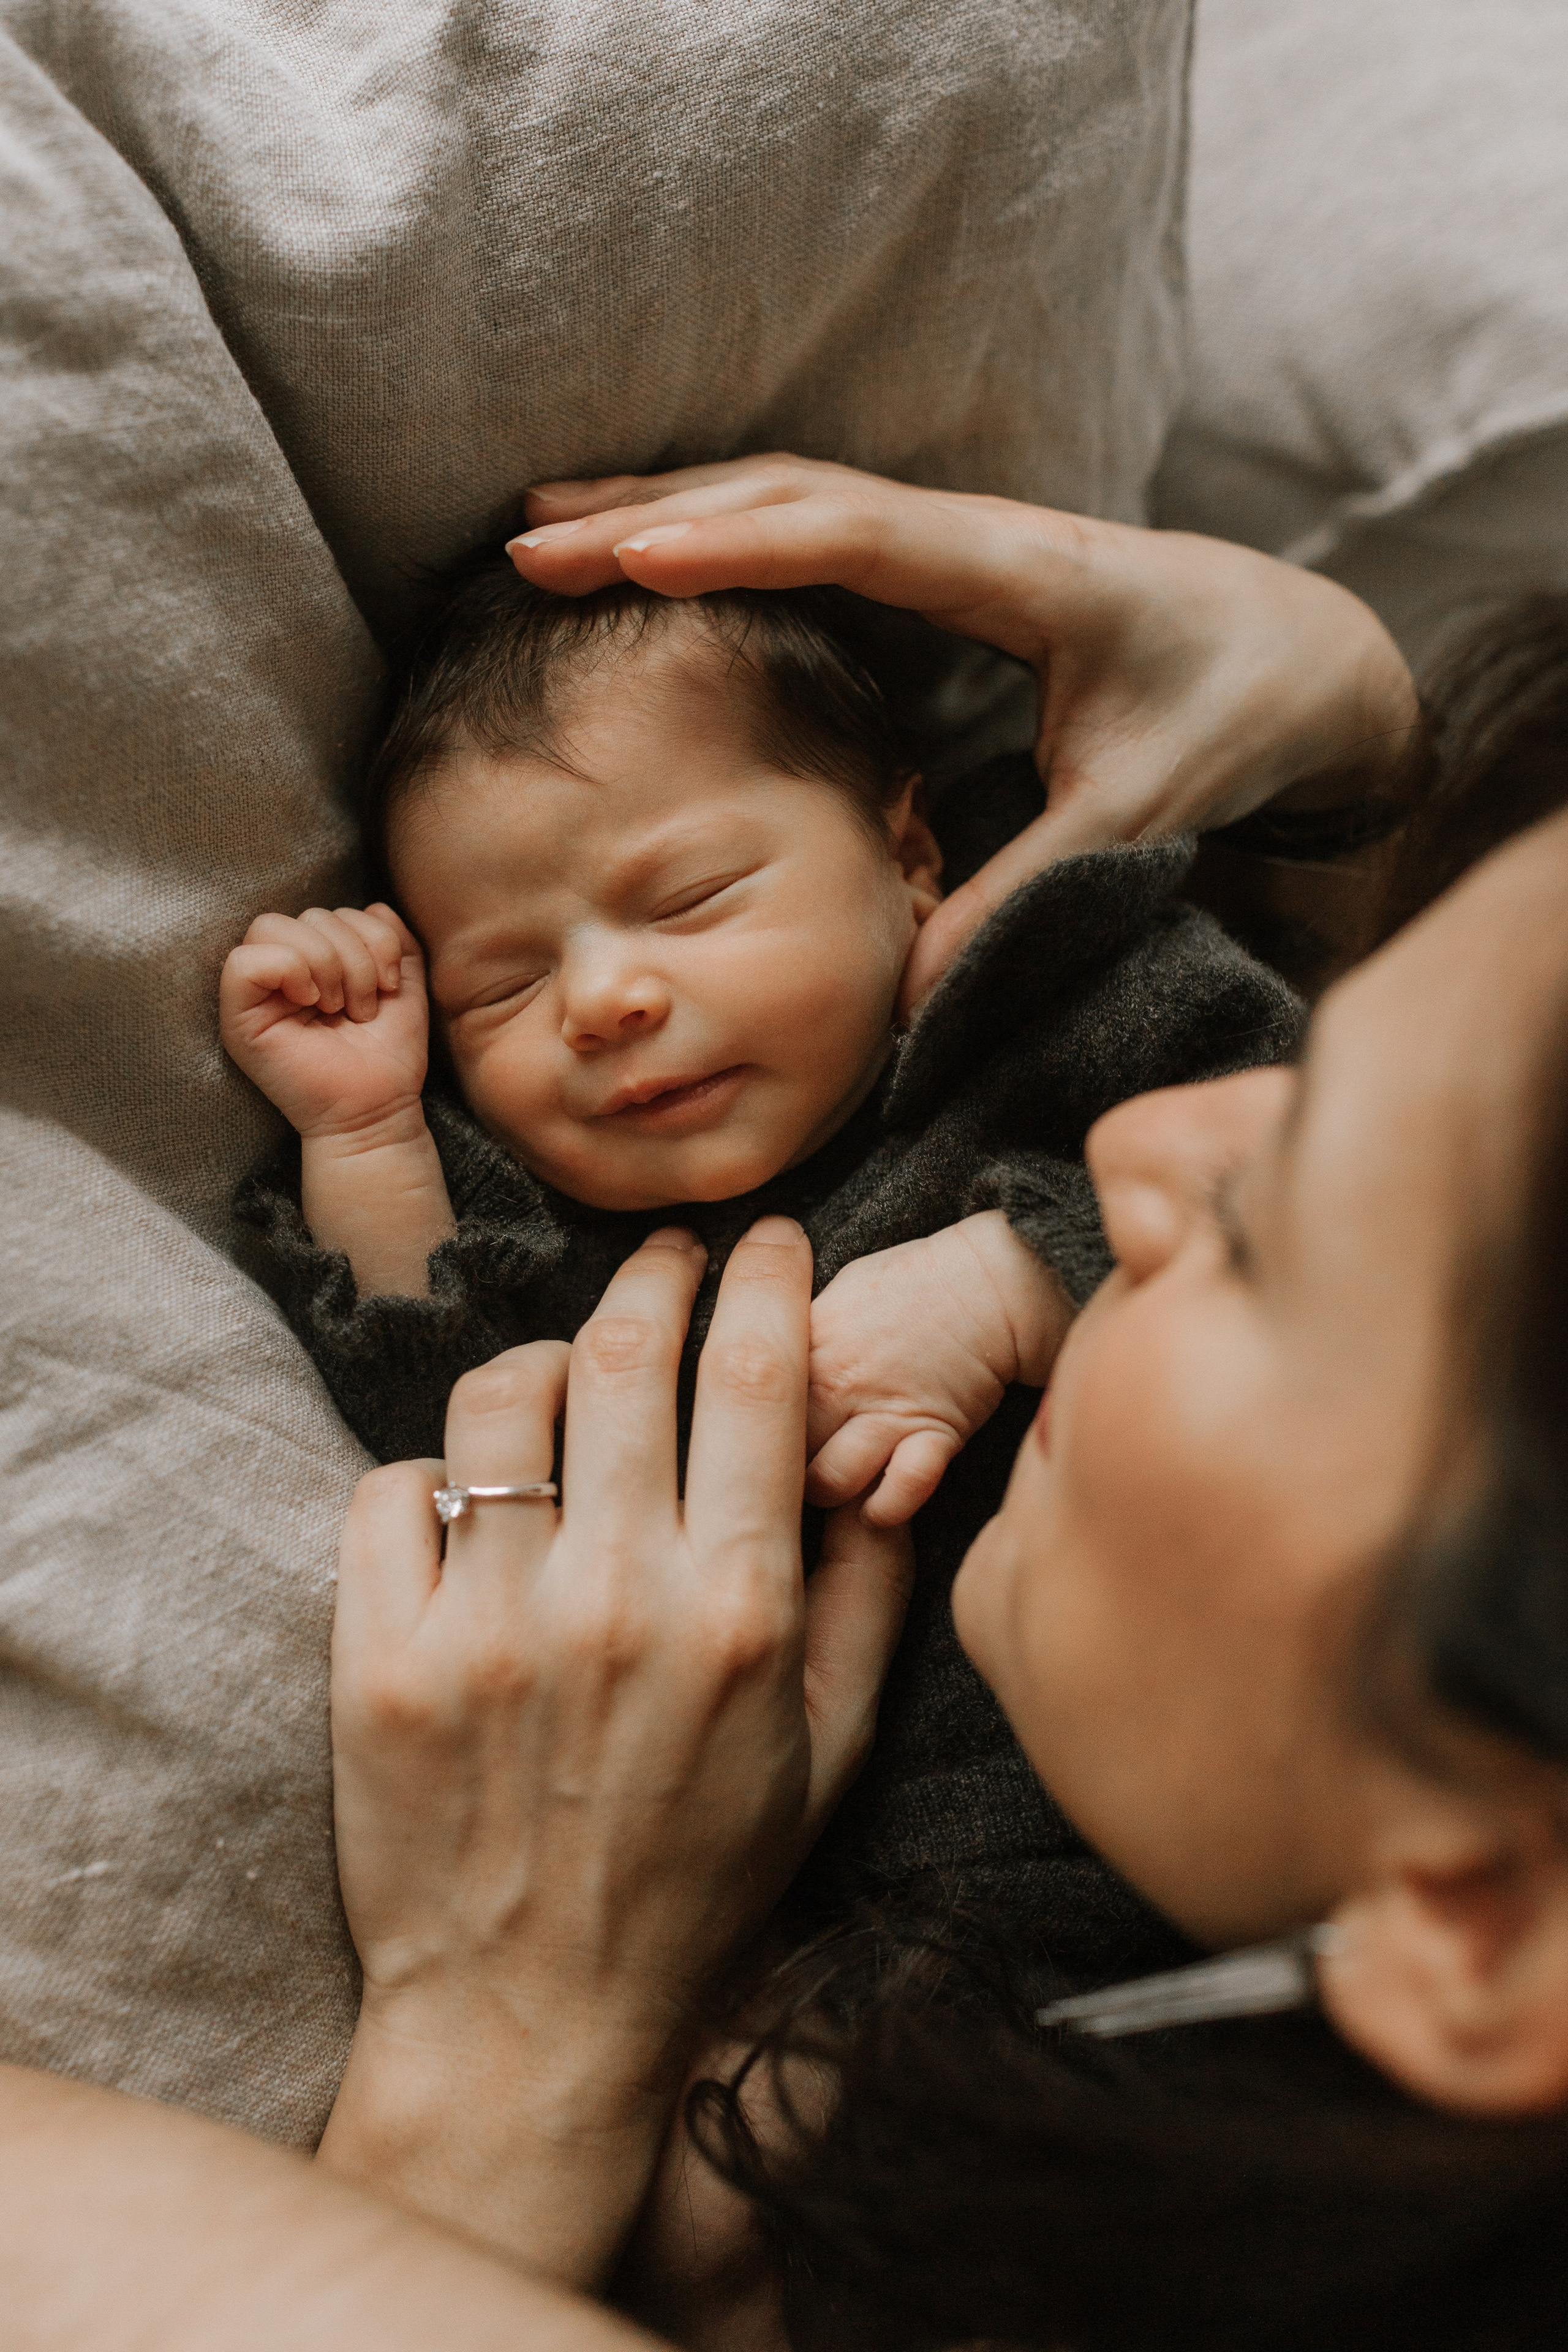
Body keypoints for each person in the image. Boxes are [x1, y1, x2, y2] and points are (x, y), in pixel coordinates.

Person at [300, 466, 1568, 2346]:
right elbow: (447, 1368)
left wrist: (514, 2044)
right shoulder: (578, 1218)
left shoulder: (1040, 1021)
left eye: (1269, 1231)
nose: (1139, 1151)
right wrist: (369, 1134)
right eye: (504, 983)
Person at [219, 551, 1298, 1976]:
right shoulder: (547, 1233)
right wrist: (362, 1133)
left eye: (690, 898)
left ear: (909, 860)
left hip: (1289, 1733)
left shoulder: (1072, 1003)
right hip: (875, 1917)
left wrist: (1010, 1285)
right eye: (505, 983)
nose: (603, 1001)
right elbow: (460, 1439)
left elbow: (1329, 1201)